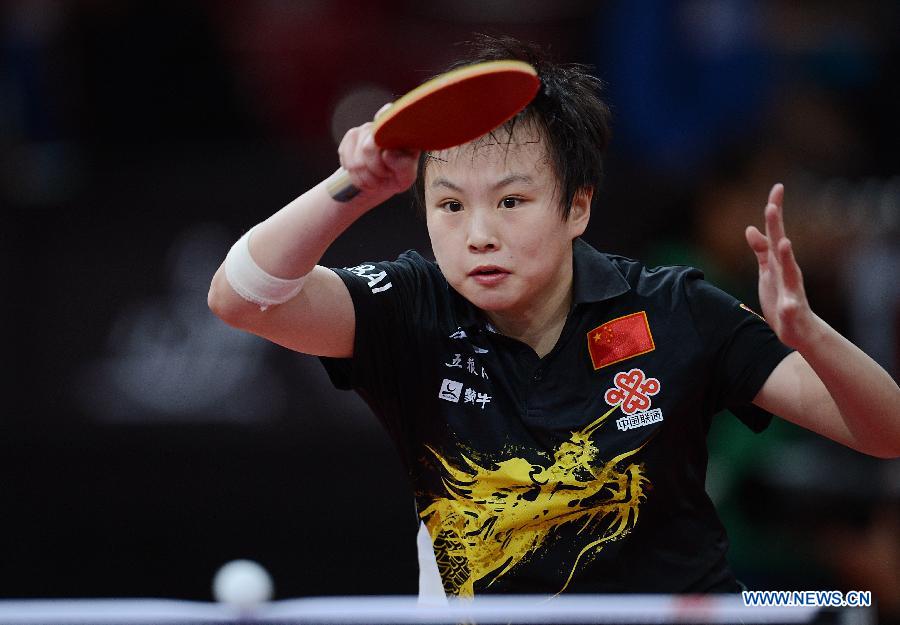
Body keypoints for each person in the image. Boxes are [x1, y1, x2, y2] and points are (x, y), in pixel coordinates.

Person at [207, 36, 900, 597]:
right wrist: (355, 188)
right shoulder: (410, 309)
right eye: (450, 206)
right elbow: (239, 297)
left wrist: (809, 333)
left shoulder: (673, 307)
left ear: (578, 207)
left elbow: (884, 433)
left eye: (510, 201)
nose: (478, 233)